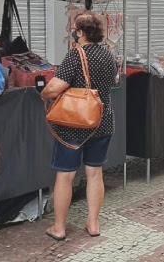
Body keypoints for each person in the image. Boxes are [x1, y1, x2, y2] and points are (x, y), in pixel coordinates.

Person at [41, 13, 118, 241]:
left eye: (74, 29)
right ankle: (93, 224)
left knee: (65, 176)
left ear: (80, 32)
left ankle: (59, 227)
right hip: (102, 122)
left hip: (74, 126)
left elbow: (55, 88)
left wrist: (43, 94)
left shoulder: (76, 55)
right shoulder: (108, 55)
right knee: (95, 174)